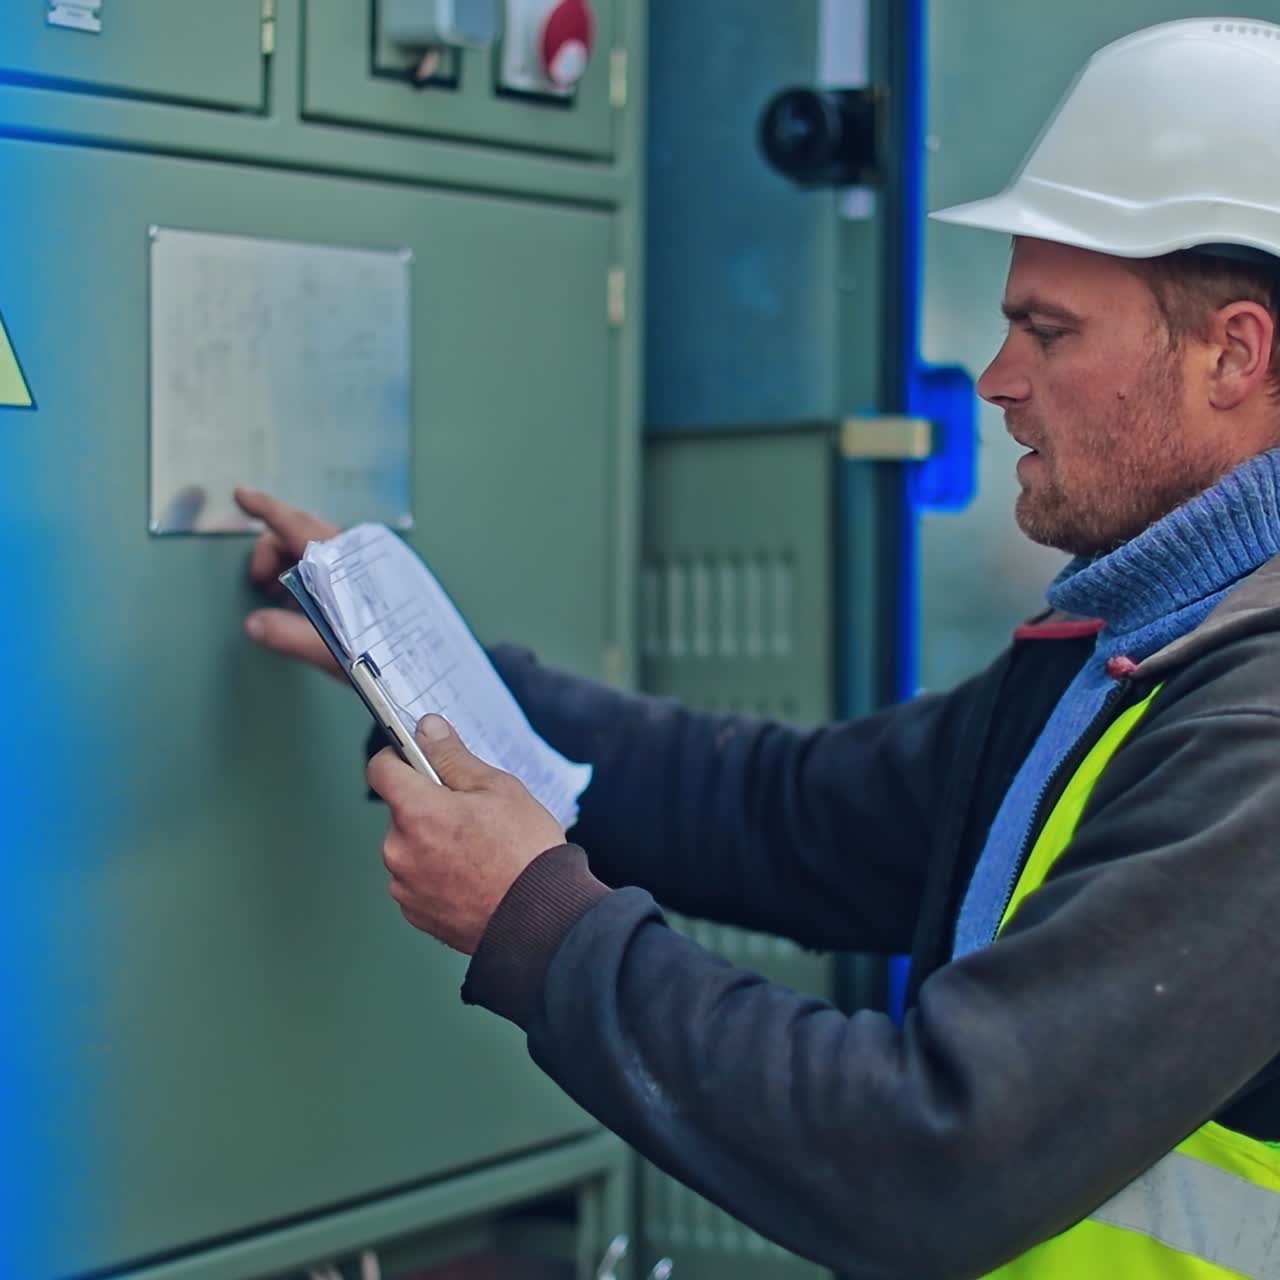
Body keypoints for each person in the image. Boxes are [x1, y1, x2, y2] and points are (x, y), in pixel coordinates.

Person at [237, 19, 1280, 1279]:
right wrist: (418, 664)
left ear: (1232, 351)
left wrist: (536, 923)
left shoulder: (1252, 728)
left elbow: (929, 1154)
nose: (994, 375)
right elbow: (790, 813)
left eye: (1046, 331)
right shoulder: (1124, 643)